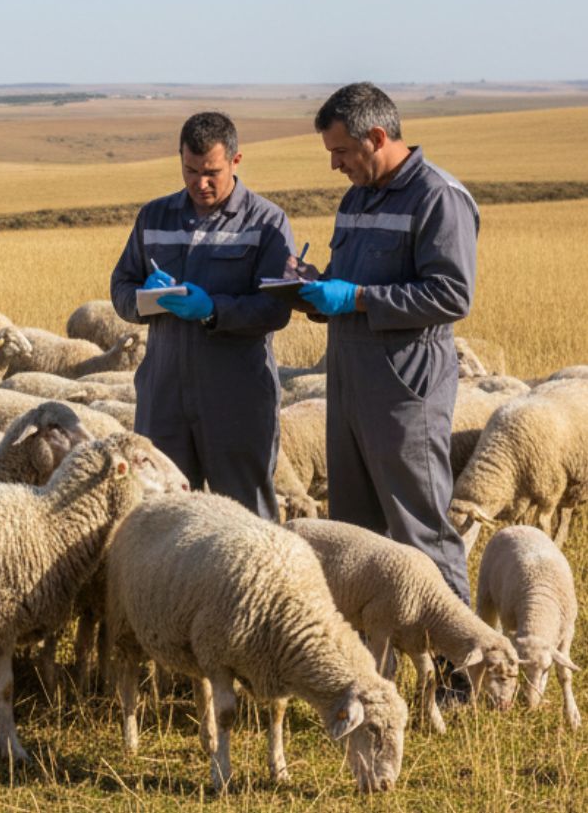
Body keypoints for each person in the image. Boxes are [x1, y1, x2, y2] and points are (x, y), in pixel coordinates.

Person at [293, 82, 477, 608]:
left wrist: (355, 297)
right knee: (355, 530)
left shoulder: (439, 197)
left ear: (376, 137)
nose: (335, 166)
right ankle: (376, 666)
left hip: (404, 386)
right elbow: (346, 287)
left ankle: (458, 666)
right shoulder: (355, 198)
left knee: (419, 527)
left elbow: (451, 294)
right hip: (349, 378)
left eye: (341, 152)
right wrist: (311, 286)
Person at [110, 113, 295, 519]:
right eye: (190, 171)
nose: (200, 183)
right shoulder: (153, 218)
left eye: (211, 172)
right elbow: (120, 288)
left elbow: (277, 307)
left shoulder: (266, 223)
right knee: (160, 517)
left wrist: (214, 310)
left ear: (236, 160)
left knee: (245, 520)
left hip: (236, 398)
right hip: (164, 396)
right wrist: (143, 297)